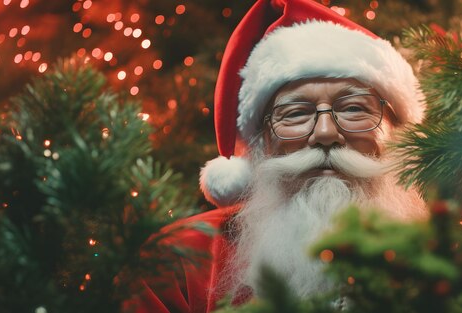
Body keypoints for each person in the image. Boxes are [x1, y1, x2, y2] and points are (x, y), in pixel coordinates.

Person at [124, 0, 428, 312]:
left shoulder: (456, 254)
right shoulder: (180, 258)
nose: (324, 133)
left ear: (397, 129)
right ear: (261, 142)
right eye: (296, 113)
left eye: (353, 108)